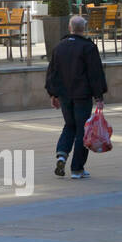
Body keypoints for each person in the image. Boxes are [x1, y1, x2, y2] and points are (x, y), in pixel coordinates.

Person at [45, 15, 108, 180]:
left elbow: (52, 73)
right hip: (82, 95)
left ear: (69, 27)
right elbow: (95, 74)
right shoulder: (88, 47)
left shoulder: (59, 47)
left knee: (69, 125)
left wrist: (53, 94)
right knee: (82, 130)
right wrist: (99, 97)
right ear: (84, 29)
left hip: (65, 96)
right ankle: (77, 168)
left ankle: (61, 154)